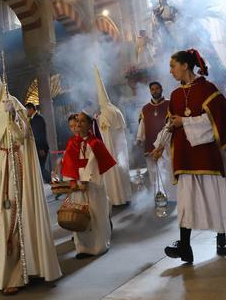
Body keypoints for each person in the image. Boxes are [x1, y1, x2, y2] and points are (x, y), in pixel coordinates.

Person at [0, 0, 62, 295]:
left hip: (15, 175)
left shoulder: (10, 101)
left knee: (15, 222)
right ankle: (3, 272)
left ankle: (26, 270)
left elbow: (22, 135)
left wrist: (15, 118)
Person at [151, 49, 226, 263]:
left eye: (173, 66)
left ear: (185, 65)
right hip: (185, 157)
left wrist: (184, 122)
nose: (171, 71)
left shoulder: (208, 89)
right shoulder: (175, 95)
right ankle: (185, 246)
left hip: (209, 157)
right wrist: (159, 145)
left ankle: (221, 239)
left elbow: (216, 121)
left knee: (216, 197)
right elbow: (170, 124)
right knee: (186, 202)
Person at [61, 112, 116, 258]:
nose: (78, 124)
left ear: (89, 124)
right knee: (79, 213)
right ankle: (82, 247)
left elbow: (93, 163)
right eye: (77, 121)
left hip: (92, 182)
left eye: (81, 122)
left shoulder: (95, 143)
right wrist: (72, 181)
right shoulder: (72, 142)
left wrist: (86, 180)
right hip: (77, 182)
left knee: (96, 213)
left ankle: (99, 246)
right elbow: (69, 162)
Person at [93, 67, 132, 206]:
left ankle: (117, 199)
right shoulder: (116, 110)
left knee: (114, 176)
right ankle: (126, 196)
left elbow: (105, 135)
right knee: (123, 172)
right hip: (121, 149)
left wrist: (97, 120)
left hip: (112, 151)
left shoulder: (104, 113)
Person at [135, 81, 176, 202]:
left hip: (167, 143)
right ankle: (158, 195)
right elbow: (142, 125)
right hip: (150, 143)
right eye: (152, 89)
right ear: (150, 91)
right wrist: (139, 139)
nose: (155, 91)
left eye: (157, 88)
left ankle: (172, 196)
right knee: (153, 172)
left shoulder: (170, 104)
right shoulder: (145, 108)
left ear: (161, 89)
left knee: (168, 170)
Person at [25, 102, 51, 184]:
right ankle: (53, 183)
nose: (26, 112)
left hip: (41, 147)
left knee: (40, 168)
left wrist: (41, 148)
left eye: (27, 110)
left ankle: (54, 182)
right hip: (38, 147)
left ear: (31, 109)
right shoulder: (33, 119)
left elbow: (39, 135)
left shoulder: (38, 119)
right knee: (39, 168)